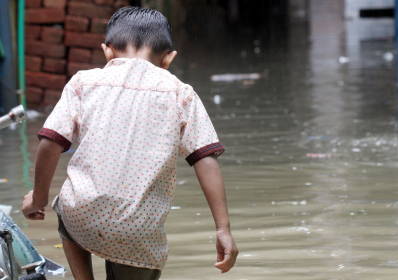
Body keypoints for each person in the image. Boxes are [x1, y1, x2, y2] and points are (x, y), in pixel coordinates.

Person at [21, 7, 238, 280]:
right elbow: (205, 158)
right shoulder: (181, 94)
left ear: (107, 51)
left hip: (83, 213)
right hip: (138, 229)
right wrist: (223, 229)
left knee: (66, 205)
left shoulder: (83, 82)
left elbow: (50, 143)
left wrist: (37, 199)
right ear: (168, 59)